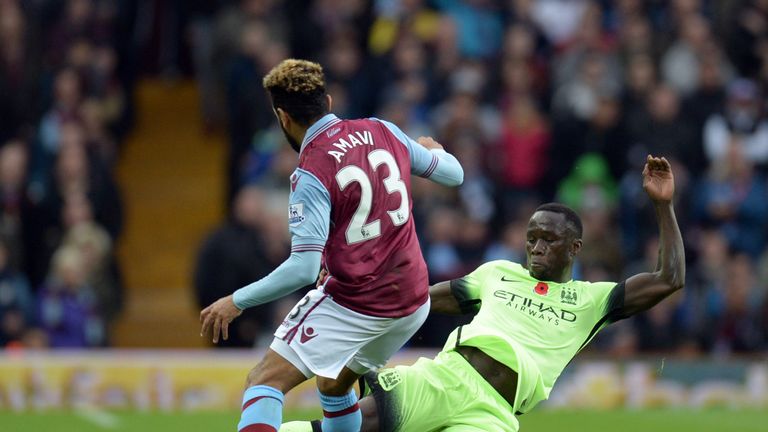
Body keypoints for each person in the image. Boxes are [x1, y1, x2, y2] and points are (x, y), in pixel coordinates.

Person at [281, 155, 684, 432]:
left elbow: (669, 278)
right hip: (449, 378)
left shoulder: (592, 300)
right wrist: (355, 283)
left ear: (574, 248)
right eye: (531, 239)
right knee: (360, 426)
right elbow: (417, 295)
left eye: (548, 239)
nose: (537, 247)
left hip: (496, 414)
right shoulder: (498, 274)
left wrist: (663, 207)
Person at [199, 59, 464, 432]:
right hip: (411, 302)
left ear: (282, 117)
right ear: (328, 99)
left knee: (264, 381)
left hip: (360, 303)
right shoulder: (382, 129)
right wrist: (435, 151)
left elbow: (303, 269)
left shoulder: (311, 172)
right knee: (334, 384)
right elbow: (454, 174)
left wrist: (236, 300)